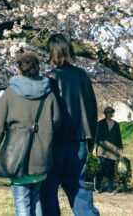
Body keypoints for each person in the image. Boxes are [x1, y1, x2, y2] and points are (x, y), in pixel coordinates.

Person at [0, 51, 60, 216]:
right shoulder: (49, 93)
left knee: (22, 202)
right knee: (36, 199)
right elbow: (57, 121)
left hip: (17, 157)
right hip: (41, 156)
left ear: (20, 69)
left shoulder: (10, 92)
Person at [39, 34, 100, 216]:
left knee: (48, 189)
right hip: (80, 140)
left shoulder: (48, 78)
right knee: (79, 186)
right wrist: (91, 141)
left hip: (54, 142)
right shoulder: (82, 76)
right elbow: (91, 109)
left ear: (51, 53)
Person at [93, 107, 123, 192]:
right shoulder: (100, 123)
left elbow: (119, 138)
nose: (110, 114)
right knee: (103, 168)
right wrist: (95, 148)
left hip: (113, 150)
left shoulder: (116, 124)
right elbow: (97, 137)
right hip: (103, 149)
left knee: (112, 169)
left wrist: (120, 150)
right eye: (108, 112)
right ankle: (97, 184)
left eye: (111, 112)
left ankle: (110, 187)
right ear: (105, 113)